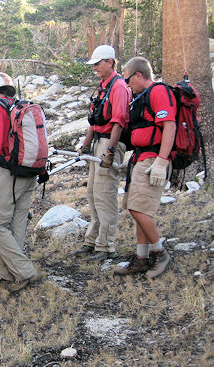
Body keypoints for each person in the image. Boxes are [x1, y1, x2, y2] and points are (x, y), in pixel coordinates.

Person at [0, 72, 45, 293]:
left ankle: (24, 271)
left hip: (11, 174)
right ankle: (6, 275)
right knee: (16, 225)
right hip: (30, 171)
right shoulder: (18, 106)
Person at [114, 57, 174, 278]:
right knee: (136, 208)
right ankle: (141, 258)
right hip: (139, 159)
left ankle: (160, 253)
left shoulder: (158, 91)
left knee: (139, 209)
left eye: (128, 79)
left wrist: (162, 160)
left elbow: (169, 125)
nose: (127, 84)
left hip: (152, 159)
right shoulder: (142, 96)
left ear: (138, 75)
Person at [75, 45, 132, 262]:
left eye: (98, 64)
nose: (95, 68)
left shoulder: (118, 87)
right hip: (99, 142)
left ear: (110, 62)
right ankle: (92, 241)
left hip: (109, 143)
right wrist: (86, 145)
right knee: (92, 193)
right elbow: (94, 119)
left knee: (105, 195)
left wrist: (110, 151)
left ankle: (106, 247)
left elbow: (118, 121)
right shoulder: (103, 86)